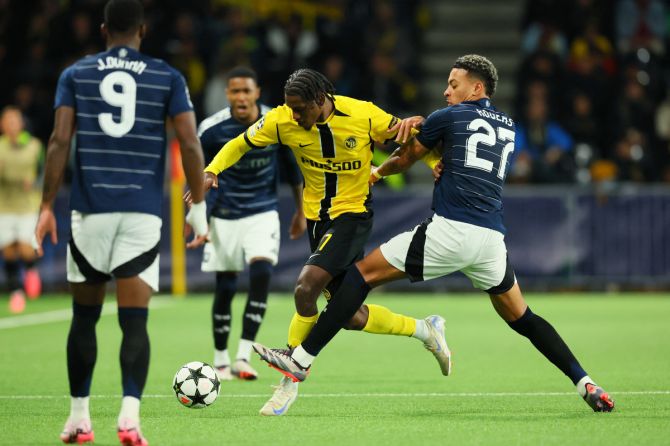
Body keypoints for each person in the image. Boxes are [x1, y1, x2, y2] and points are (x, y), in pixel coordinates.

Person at [253, 55, 615, 413]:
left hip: (451, 231)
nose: (446, 92)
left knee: (358, 279)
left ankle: (300, 358)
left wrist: (377, 173)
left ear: (477, 87)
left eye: (453, 85)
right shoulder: (508, 125)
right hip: (491, 240)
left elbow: (406, 156)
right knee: (524, 318)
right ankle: (585, 382)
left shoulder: (448, 117)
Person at [201, 68, 450, 416]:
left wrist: (436, 161)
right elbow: (241, 143)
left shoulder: (362, 113)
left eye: (300, 108)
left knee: (306, 287)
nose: (294, 115)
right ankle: (426, 330)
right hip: (319, 222)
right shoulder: (280, 119)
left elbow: (412, 139)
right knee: (350, 316)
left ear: (320, 100)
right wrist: (213, 170)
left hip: (353, 216)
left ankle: (289, 380)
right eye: (290, 108)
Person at [32, 1, 208, 444]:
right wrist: (198, 207)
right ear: (143, 31)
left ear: (104, 28)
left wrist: (46, 206)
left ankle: (78, 419)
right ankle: (129, 418)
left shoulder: (76, 74)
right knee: (134, 321)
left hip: (89, 211)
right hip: (141, 214)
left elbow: (58, 141)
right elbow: (188, 143)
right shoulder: (167, 76)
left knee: (84, 318)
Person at [195, 66, 305, 382]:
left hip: (262, 212)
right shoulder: (211, 130)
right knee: (226, 286)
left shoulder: (276, 122)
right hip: (225, 215)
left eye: (246, 91)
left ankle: (243, 355)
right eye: (235, 91)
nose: (241, 97)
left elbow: (291, 170)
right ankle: (219, 360)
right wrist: (198, 219)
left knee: (261, 273)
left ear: (257, 93)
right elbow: (198, 177)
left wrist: (300, 211)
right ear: (227, 94)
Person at [0, 106, 43, 314]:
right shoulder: (0, 147)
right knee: (8, 249)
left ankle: (31, 270)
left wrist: (35, 182)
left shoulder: (34, 146)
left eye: (14, 120)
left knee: (25, 248)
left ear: (21, 123)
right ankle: (16, 292)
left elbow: (45, 172)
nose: (11, 124)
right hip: (4, 205)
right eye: (7, 121)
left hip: (28, 205)